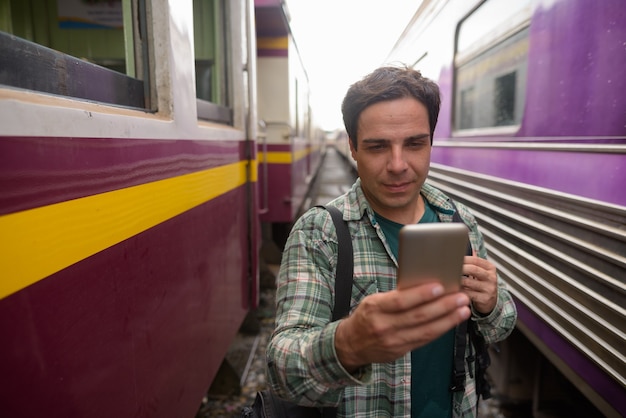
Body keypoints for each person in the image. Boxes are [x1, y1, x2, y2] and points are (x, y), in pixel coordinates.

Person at [265, 65, 517, 417]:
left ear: (430, 142)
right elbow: (282, 369)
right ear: (352, 147)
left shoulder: (459, 221)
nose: (398, 164)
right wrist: (348, 343)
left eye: (414, 144)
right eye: (378, 146)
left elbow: (500, 326)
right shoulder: (320, 233)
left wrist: (491, 304)